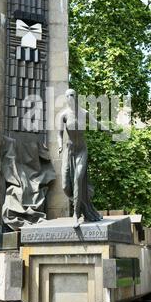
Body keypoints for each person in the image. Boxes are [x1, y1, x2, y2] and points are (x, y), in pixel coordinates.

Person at [57, 89, 106, 228]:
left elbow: (95, 123)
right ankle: (82, 202)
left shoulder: (83, 113)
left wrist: (107, 129)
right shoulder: (64, 115)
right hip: (69, 150)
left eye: (72, 95)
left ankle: (76, 214)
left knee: (78, 179)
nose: (69, 97)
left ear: (76, 97)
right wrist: (60, 146)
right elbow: (59, 134)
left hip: (82, 151)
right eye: (67, 95)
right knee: (66, 186)